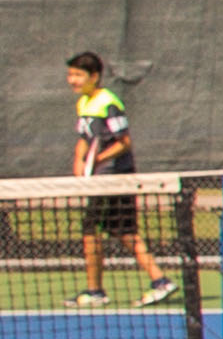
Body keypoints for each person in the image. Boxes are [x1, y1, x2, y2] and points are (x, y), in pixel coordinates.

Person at [63, 48, 171, 311]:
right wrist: (80, 161)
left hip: (115, 178)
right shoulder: (84, 103)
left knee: (91, 231)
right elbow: (84, 139)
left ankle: (95, 291)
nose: (73, 80)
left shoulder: (108, 103)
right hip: (100, 178)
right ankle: (160, 281)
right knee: (124, 232)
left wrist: (97, 160)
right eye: (70, 75)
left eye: (78, 75)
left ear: (94, 76)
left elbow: (124, 143)